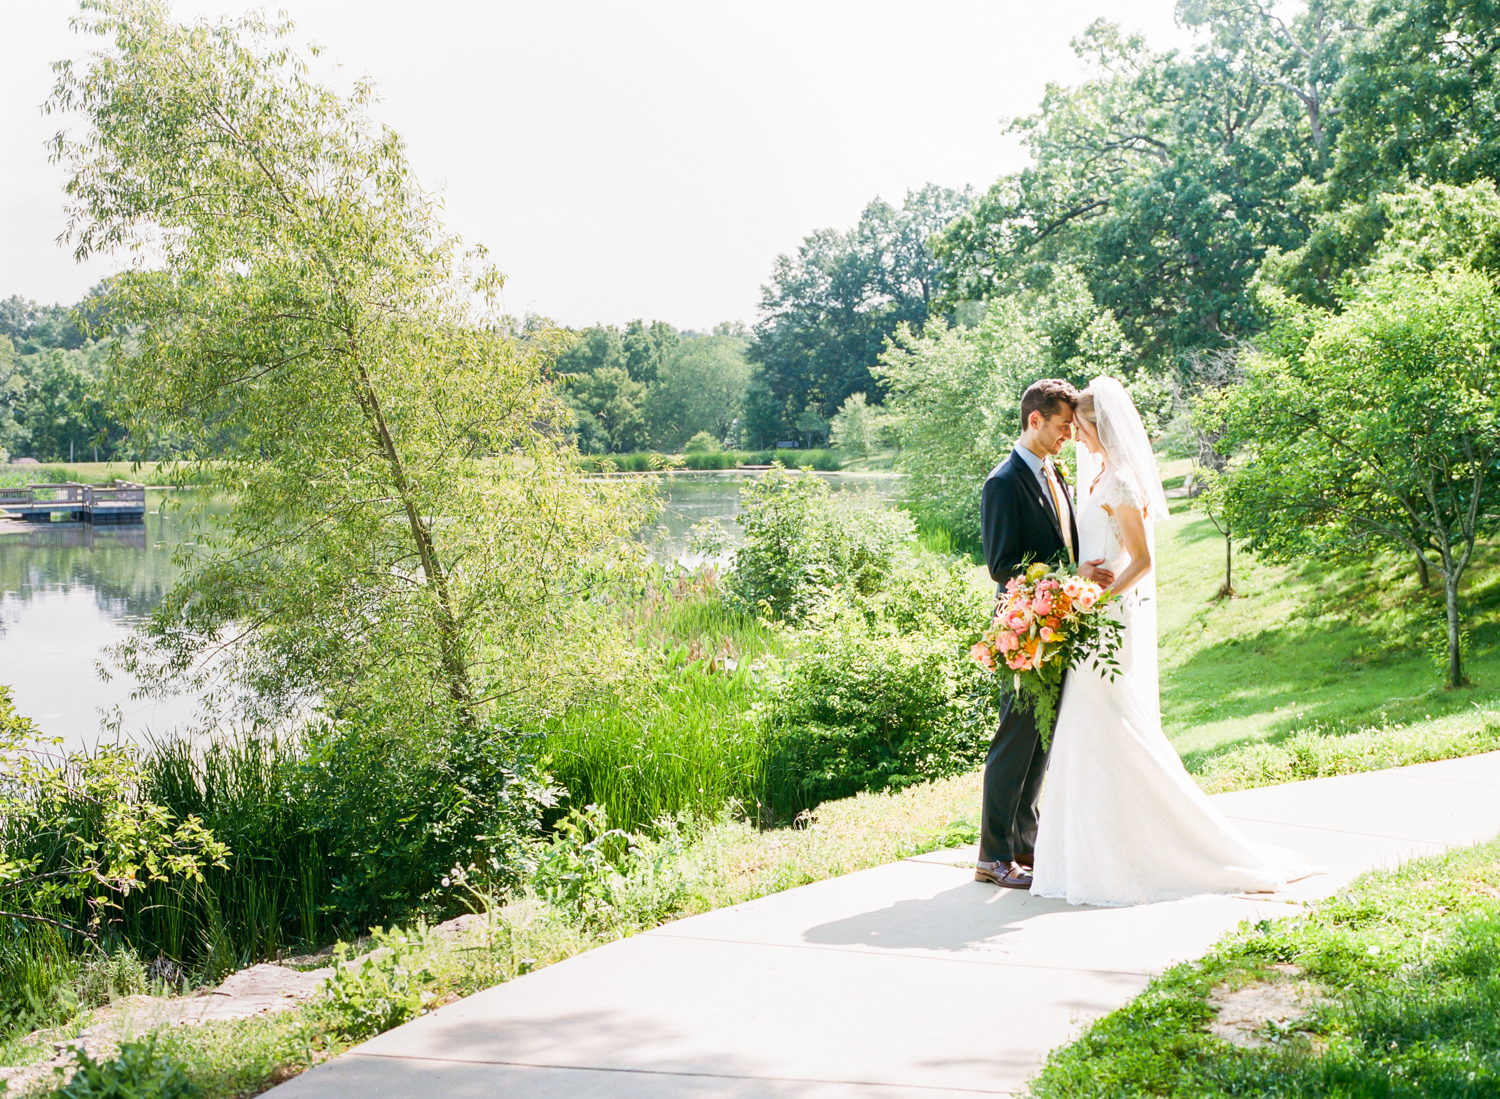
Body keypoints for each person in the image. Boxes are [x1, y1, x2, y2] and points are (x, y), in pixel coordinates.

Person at [1029, 376, 1314, 906]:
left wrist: (1096, 596)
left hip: (1106, 624)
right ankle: (1089, 851)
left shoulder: (1121, 484)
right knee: (1088, 730)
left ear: (1099, 427)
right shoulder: (1098, 479)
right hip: (1089, 623)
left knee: (1109, 724)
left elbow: (1140, 561)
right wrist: (1076, 586)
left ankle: (1155, 846)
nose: (1075, 436)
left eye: (1080, 427)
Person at [975, 379, 1114, 890]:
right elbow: (1002, 565)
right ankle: (992, 856)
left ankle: (1024, 845)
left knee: (1040, 739)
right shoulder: (1003, 482)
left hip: (1054, 625)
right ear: (1035, 420)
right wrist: (1069, 574)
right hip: (1022, 628)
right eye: (1061, 426)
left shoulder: (1054, 472)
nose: (1068, 436)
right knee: (1014, 740)